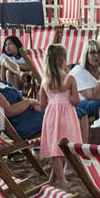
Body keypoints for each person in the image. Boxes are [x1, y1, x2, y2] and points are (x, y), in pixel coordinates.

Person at [38, 43, 82, 186]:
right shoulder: (69, 79)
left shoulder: (45, 79)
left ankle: (53, 178)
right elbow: (76, 101)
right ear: (63, 60)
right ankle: (62, 180)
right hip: (67, 115)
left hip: (51, 115)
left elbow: (42, 103)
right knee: (63, 146)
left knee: (54, 147)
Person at [0, 52, 46, 140]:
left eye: (0, 68)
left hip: (29, 118)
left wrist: (33, 103)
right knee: (58, 119)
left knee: (58, 116)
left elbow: (20, 98)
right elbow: (8, 111)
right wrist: (29, 102)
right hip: (22, 126)